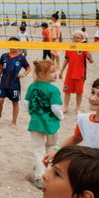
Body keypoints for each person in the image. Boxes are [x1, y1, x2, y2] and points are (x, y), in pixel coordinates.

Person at [24, 59, 63, 188]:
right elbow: (56, 108)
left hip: (36, 122)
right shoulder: (53, 89)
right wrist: (61, 117)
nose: (56, 74)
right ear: (42, 74)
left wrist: (33, 114)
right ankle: (41, 175)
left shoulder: (32, 86)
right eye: (52, 72)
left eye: (55, 71)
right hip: (51, 124)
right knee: (51, 147)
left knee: (38, 149)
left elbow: (26, 103)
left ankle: (38, 172)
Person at [0, 38, 30, 127]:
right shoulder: (4, 56)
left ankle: (14, 121)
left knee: (15, 102)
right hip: (3, 82)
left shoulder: (21, 57)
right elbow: (0, 68)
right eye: (10, 44)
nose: (12, 46)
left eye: (14, 44)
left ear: (18, 46)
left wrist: (23, 75)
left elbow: (28, 68)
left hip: (14, 84)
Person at [59, 31, 94, 114]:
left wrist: (90, 57)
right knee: (67, 91)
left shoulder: (84, 47)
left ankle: (77, 108)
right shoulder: (70, 47)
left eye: (78, 38)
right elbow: (66, 60)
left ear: (82, 39)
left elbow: (91, 61)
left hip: (80, 73)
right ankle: (65, 107)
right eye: (74, 37)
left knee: (79, 92)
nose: (76, 39)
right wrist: (61, 70)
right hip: (70, 73)